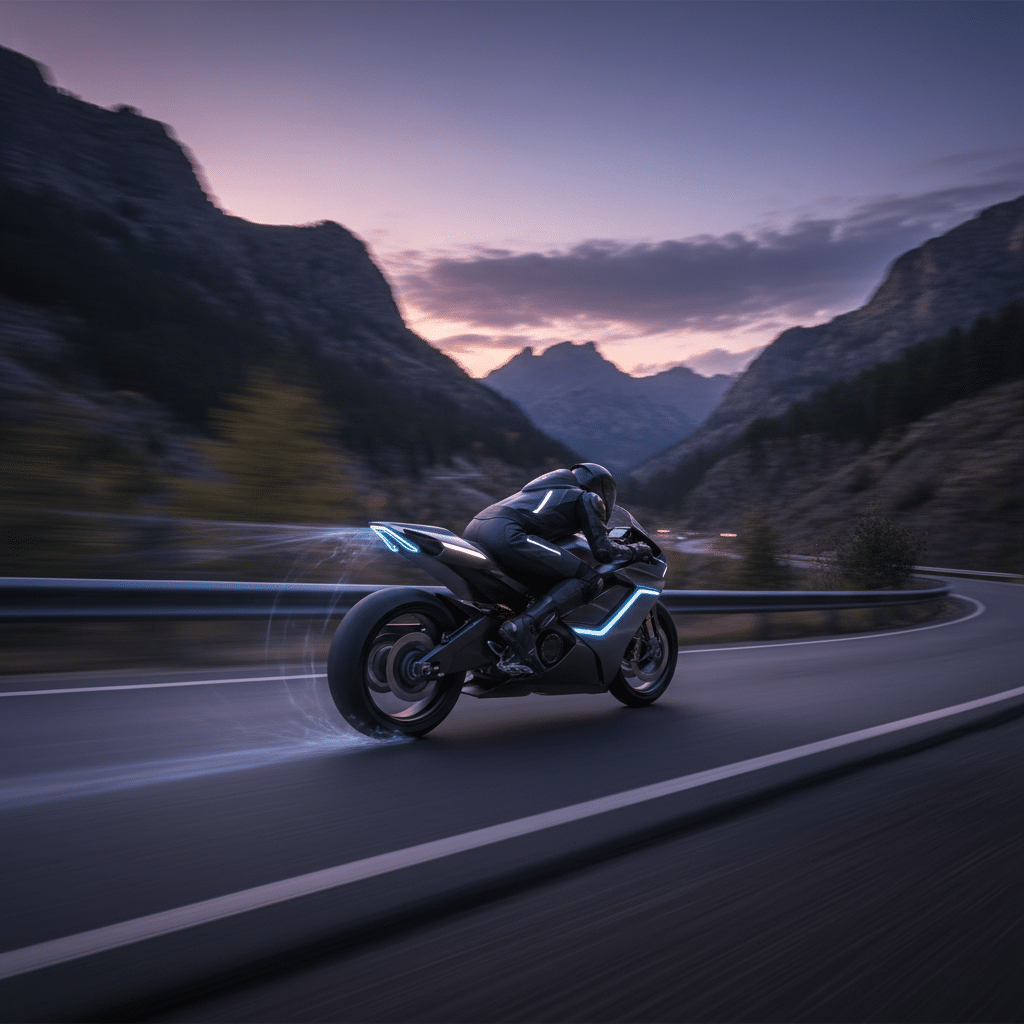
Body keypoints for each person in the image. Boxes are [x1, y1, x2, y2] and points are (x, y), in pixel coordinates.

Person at [463, 463, 652, 674]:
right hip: (508, 535)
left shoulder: (550, 492)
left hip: (475, 529)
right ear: (599, 488)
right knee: (589, 579)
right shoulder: (588, 498)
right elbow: (604, 552)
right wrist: (637, 550)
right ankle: (522, 628)